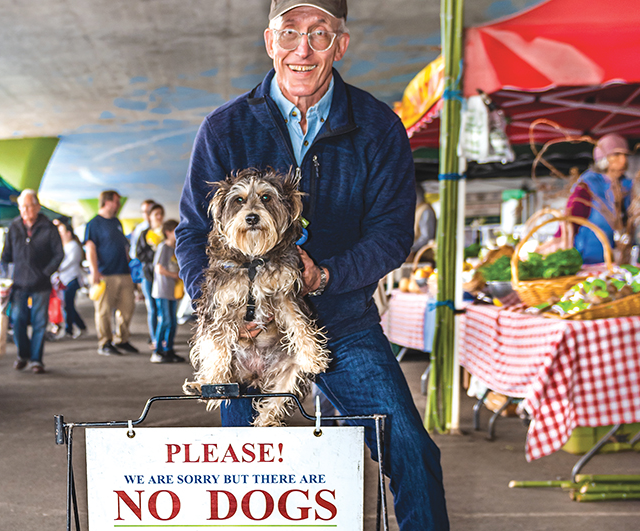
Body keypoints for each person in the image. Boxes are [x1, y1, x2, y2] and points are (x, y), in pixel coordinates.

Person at [174, 2, 449, 529]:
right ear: (269, 40)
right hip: (248, 331)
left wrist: (325, 276)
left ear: (340, 45)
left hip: (344, 321)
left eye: (320, 35)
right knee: (239, 476)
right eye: (291, 33)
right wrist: (222, 308)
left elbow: (392, 235)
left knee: (412, 451)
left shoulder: (377, 126)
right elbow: (192, 230)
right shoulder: (225, 127)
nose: (303, 49)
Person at [0, 190, 64, 373]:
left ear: (37, 206)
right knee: (17, 320)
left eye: (29, 206)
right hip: (18, 284)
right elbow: (5, 256)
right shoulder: (14, 227)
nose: (26, 210)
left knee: (39, 323)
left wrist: (46, 273)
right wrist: (4, 278)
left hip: (41, 284)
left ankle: (36, 360)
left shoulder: (49, 227)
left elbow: (59, 254)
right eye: (22, 206)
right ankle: (23, 355)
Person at [562, 133, 633, 264]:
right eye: (616, 155)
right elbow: (570, 219)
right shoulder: (587, 185)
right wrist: (559, 243)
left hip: (618, 257)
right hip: (588, 258)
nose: (623, 160)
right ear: (603, 158)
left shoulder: (626, 186)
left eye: (625, 155)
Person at [83, 190, 139, 356]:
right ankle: (105, 342)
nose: (118, 205)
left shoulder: (116, 222)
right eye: (116, 201)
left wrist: (130, 265)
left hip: (123, 272)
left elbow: (124, 247)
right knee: (104, 311)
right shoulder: (93, 223)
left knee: (127, 307)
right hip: (104, 274)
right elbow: (90, 248)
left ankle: (122, 339)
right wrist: (94, 271)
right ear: (106, 202)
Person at [150, 219, 184, 363]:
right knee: (165, 321)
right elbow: (159, 268)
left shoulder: (174, 248)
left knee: (173, 322)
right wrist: (175, 276)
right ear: (168, 232)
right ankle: (157, 351)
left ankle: (168, 350)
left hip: (171, 291)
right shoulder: (163, 248)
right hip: (162, 291)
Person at [135, 203, 165, 350]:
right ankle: (155, 338)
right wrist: (155, 253)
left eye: (161, 214)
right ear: (150, 217)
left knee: (163, 309)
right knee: (152, 308)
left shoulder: (167, 233)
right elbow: (139, 254)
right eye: (156, 214)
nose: (159, 217)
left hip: (164, 277)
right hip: (148, 275)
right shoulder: (144, 233)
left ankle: (163, 337)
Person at [54, 219, 87, 339]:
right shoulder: (64, 246)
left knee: (68, 305)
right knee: (68, 305)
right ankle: (79, 327)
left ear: (68, 233)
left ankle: (70, 330)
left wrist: (55, 267)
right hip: (64, 280)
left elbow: (68, 263)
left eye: (62, 232)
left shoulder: (74, 246)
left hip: (72, 279)